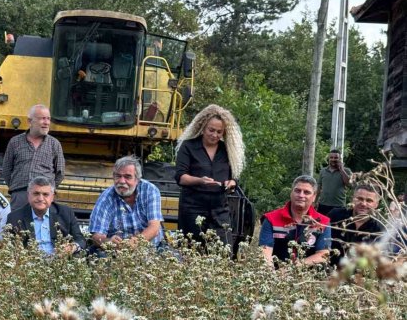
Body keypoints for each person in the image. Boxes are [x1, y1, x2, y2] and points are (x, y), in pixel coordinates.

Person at [174, 104, 245, 245]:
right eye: (211, 130)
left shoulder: (228, 150)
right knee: (192, 250)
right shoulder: (188, 146)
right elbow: (181, 177)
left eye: (219, 132)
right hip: (192, 207)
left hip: (220, 209)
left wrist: (232, 183)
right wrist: (200, 180)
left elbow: (234, 178)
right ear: (203, 127)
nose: (215, 135)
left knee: (224, 250)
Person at [89, 156, 164, 251]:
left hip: (152, 248)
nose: (122, 181)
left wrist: (134, 243)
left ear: (137, 179)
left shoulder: (150, 190)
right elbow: (96, 236)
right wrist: (108, 242)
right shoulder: (105, 198)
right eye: (118, 176)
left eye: (128, 177)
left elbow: (154, 228)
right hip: (116, 253)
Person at [1, 104, 65, 210]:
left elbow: (60, 173)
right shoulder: (15, 142)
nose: (47, 122)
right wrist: (17, 188)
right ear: (30, 121)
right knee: (17, 225)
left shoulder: (55, 144)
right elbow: (6, 170)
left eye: (48, 119)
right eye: (42, 119)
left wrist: (48, 190)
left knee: (42, 226)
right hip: (20, 196)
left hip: (43, 198)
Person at [259, 175, 331, 266]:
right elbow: (265, 252)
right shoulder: (271, 219)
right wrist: (273, 274)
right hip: (275, 274)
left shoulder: (323, 222)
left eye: (306, 192)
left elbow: (323, 255)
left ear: (314, 197)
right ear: (291, 193)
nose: (301, 195)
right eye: (297, 191)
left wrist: (293, 268)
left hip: (309, 277)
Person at [6, 176, 85, 255]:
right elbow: (9, 248)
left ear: (52, 197)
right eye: (36, 193)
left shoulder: (65, 213)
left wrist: (72, 247)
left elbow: (80, 240)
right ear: (28, 195)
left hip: (60, 262)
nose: (40, 198)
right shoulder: (14, 217)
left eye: (45, 194)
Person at [328, 183, 385, 266]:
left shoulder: (379, 230)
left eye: (369, 200)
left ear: (376, 204)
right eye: (359, 199)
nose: (363, 204)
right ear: (352, 199)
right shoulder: (335, 216)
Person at [317, 149, 352, 216]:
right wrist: (315, 202)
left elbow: (349, 184)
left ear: (340, 159)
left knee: (337, 225)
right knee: (322, 225)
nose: (333, 159)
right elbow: (319, 187)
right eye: (331, 157)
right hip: (323, 205)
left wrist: (341, 170)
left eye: (336, 158)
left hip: (339, 206)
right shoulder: (323, 171)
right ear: (329, 159)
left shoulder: (347, 171)